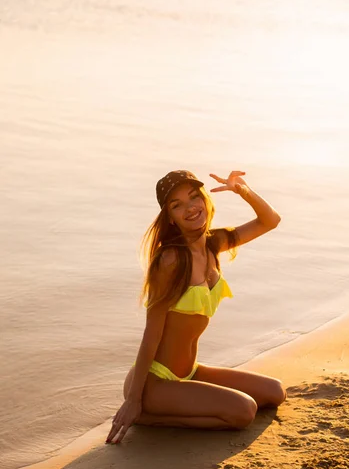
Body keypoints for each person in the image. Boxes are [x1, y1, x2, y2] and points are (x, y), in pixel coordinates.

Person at [106, 170, 285, 444]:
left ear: (204, 199)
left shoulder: (214, 243)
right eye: (177, 205)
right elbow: (151, 334)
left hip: (189, 371)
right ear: (170, 218)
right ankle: (147, 417)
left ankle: (171, 404)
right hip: (155, 382)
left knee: (274, 392)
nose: (190, 208)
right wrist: (133, 400)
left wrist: (242, 191)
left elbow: (270, 221)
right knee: (244, 411)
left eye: (193, 197)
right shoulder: (170, 260)